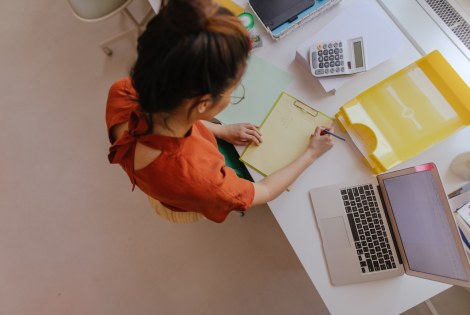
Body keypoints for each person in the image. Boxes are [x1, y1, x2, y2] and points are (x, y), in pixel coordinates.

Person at [106, 0, 335, 223]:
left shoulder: (125, 91)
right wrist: (311, 154)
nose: (234, 91)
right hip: (185, 190)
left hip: (165, 176)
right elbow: (264, 190)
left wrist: (221, 130)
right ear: (203, 104)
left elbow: (170, 118)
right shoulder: (206, 180)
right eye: (234, 89)